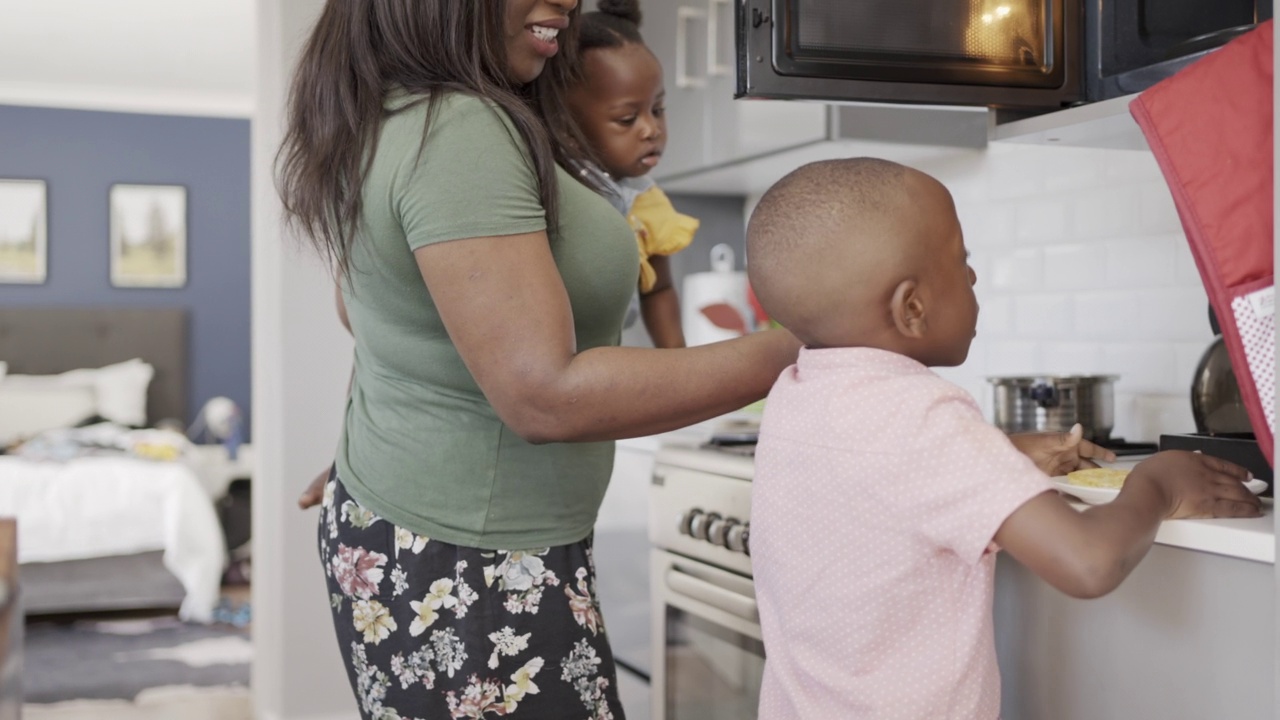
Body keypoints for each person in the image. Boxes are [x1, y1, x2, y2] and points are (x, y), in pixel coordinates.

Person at [276, 2, 801, 718]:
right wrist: (807, 338)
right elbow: (543, 394)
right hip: (474, 560)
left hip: (422, 526)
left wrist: (376, 447)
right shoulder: (458, 130)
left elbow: (378, 313)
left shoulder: (388, 112)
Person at [744, 157, 1261, 720]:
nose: (971, 277)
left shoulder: (795, 394)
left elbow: (871, 482)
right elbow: (1088, 562)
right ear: (912, 308)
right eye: (962, 262)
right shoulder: (924, 414)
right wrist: (1159, 483)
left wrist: (999, 456)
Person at [568, 0, 695, 348]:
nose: (652, 129)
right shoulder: (558, 194)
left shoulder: (647, 199)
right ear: (567, 126)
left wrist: (678, 368)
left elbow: (660, 290)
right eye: (628, 119)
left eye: (658, 109)